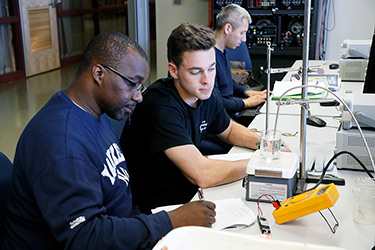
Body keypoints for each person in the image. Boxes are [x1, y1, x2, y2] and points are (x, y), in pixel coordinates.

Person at [2, 32, 216, 250]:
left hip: (121, 226)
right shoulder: (61, 143)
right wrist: (172, 220)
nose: (139, 96)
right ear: (98, 73)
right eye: (133, 84)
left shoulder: (96, 111)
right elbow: (85, 237)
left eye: (141, 87)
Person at [120, 23, 261, 214]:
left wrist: (267, 146)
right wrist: (259, 163)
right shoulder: (160, 106)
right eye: (196, 72)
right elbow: (203, 174)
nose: (207, 80)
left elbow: (229, 130)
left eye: (211, 69)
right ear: (174, 70)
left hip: (187, 186)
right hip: (158, 205)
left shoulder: (205, 92)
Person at [214, 4, 268, 125]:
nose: (244, 39)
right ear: (228, 28)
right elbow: (215, 102)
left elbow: (227, 81)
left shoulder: (222, 51)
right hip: (220, 118)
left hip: (229, 110)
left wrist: (247, 92)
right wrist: (247, 102)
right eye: (242, 33)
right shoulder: (208, 58)